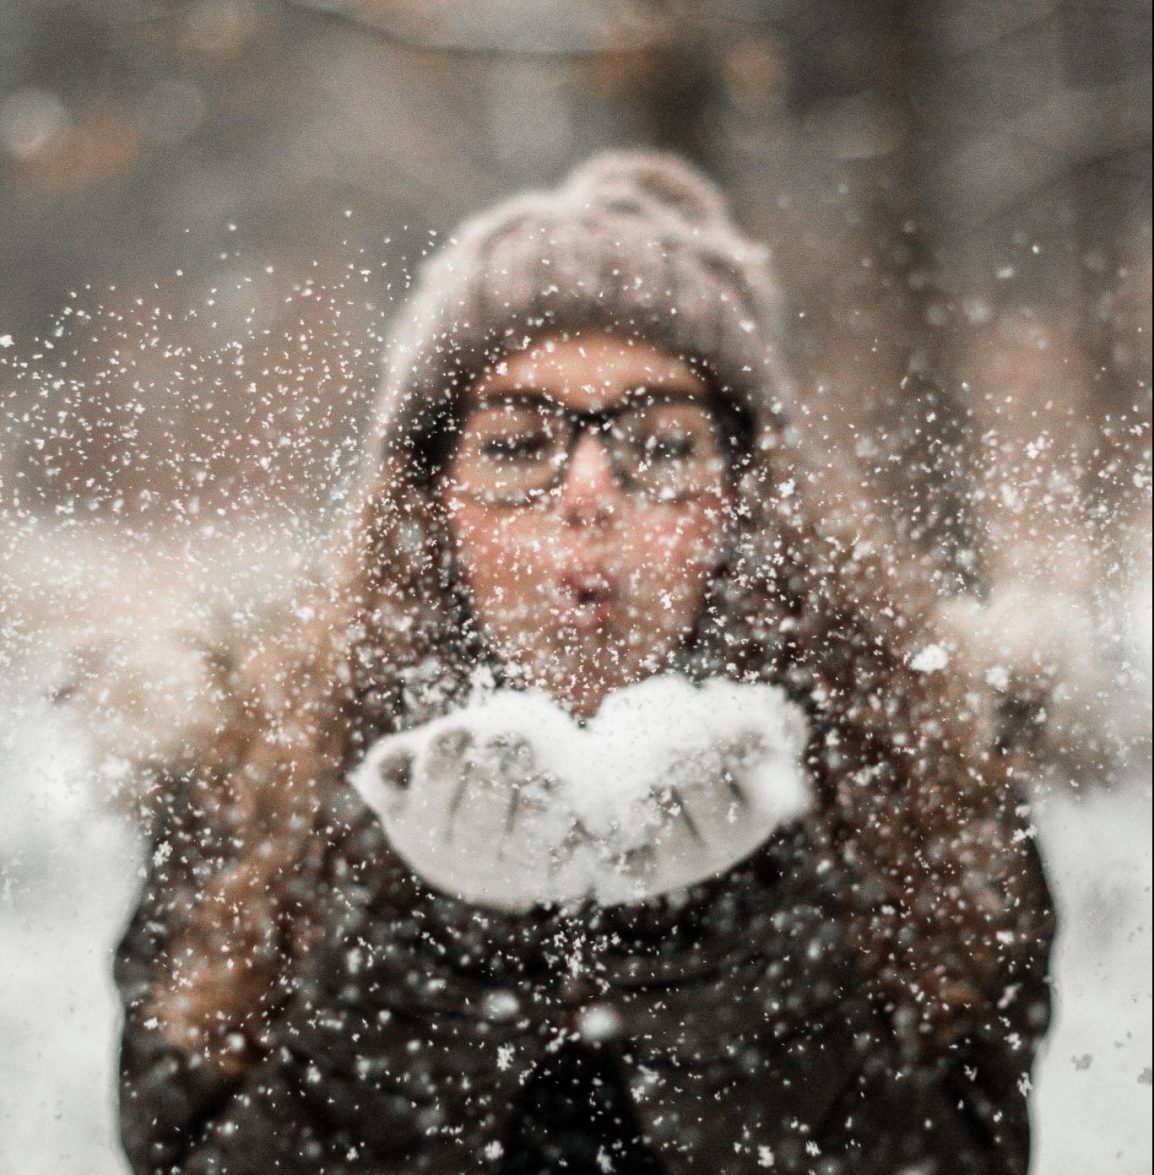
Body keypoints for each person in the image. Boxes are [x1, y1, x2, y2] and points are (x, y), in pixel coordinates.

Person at [111, 153, 1055, 1175]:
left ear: (747, 495)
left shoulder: (917, 767)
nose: (590, 489)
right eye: (519, 443)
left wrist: (720, 952)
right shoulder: (261, 769)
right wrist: (436, 955)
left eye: (658, 441)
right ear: (428, 500)